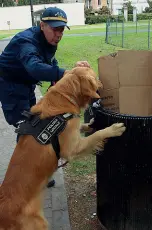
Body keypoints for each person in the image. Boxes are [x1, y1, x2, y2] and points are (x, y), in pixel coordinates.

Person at [0, 7, 90, 188]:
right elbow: (34, 67)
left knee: (34, 125)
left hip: (26, 85)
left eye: (62, 29)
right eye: (55, 29)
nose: (59, 34)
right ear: (42, 25)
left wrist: (59, 75)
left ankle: (34, 171)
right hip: (10, 85)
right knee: (25, 128)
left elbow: (49, 62)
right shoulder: (26, 42)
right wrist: (67, 73)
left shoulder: (48, 41)